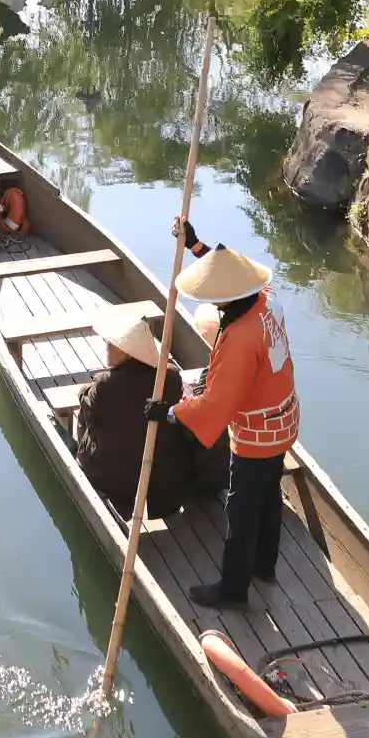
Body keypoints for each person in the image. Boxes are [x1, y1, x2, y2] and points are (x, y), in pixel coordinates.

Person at [145, 226, 299, 609]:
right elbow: (229, 275)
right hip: (284, 419)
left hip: (257, 435)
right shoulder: (265, 301)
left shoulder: (239, 339)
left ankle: (233, 589)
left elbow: (216, 405)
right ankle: (265, 566)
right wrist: (196, 246)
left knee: (242, 508)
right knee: (269, 496)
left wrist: (170, 413)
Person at [77, 305, 221, 519]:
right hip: (159, 471)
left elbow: (88, 403)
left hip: (112, 474)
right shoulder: (170, 377)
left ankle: (80, 458)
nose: (107, 347)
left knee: (88, 415)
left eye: (111, 345)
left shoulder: (105, 385)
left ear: (126, 352)